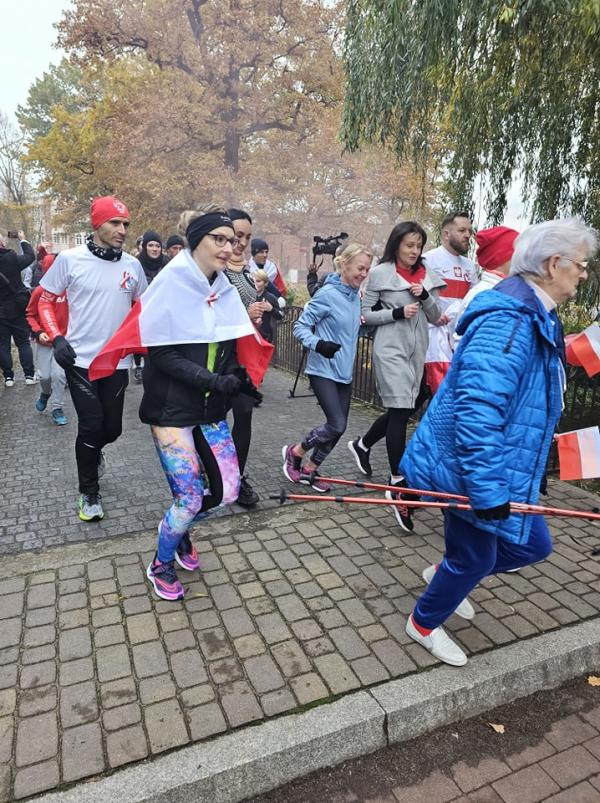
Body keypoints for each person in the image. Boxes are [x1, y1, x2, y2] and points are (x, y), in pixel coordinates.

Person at [400, 217, 597, 666]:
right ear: (553, 264)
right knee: (473, 558)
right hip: (472, 470)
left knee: (532, 544)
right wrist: (487, 491)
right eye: (580, 265)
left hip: (493, 467)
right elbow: (477, 412)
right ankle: (424, 621)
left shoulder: (534, 314)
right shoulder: (509, 320)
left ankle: (444, 576)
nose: (584, 274)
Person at [88, 205, 259, 601]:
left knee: (228, 491)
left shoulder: (224, 288)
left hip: (211, 410)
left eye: (231, 241)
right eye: (218, 239)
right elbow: (162, 356)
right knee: (189, 497)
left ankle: (179, 530)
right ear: (196, 241)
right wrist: (216, 381)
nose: (227, 247)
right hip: (170, 412)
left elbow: (231, 342)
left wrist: (240, 379)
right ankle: (161, 562)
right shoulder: (170, 284)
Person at [39, 196, 147, 522]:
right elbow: (44, 301)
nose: (122, 230)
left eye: (126, 224)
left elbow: (143, 308)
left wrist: (142, 347)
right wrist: (57, 338)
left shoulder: (132, 265)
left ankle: (95, 450)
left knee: (111, 429)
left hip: (116, 361)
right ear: (97, 224)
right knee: (91, 424)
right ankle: (89, 493)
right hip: (79, 360)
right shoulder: (70, 260)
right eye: (115, 223)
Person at [347, 222, 444, 531]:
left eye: (418, 246)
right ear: (396, 245)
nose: (414, 252)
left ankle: (362, 444)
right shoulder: (380, 274)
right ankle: (397, 482)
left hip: (418, 353)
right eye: (409, 246)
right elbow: (363, 315)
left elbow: (435, 315)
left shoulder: (426, 273)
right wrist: (396, 313)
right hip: (389, 350)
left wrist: (425, 295)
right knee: (401, 411)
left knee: (401, 409)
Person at [282, 244, 372, 491]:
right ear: (344, 265)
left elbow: (349, 331)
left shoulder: (355, 297)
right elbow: (299, 326)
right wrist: (318, 344)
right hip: (322, 369)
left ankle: (311, 469)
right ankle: (294, 452)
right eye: (360, 268)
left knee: (339, 428)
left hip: (344, 372)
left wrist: (366, 327)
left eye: (367, 269)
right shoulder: (327, 294)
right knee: (336, 424)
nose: (364, 274)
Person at [225, 208, 270, 507]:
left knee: (243, 414)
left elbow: (250, 313)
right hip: (213, 357)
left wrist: (260, 306)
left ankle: (238, 478)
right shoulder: (211, 268)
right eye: (237, 235)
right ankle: (210, 473)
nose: (242, 242)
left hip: (240, 358)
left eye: (247, 236)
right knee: (210, 419)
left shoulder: (246, 271)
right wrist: (245, 312)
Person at [422, 212, 478, 392]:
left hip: (456, 340)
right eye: (462, 230)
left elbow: (472, 299)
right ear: (446, 234)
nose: (468, 235)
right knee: (418, 399)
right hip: (431, 341)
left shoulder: (470, 266)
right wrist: (433, 317)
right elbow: (418, 294)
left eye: (469, 231)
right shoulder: (429, 259)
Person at [452, 225, 519, 340]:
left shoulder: (507, 293)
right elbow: (462, 343)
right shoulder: (482, 296)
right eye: (518, 254)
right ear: (502, 258)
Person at [26, 253, 69, 425]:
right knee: (44, 376)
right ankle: (45, 393)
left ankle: (57, 408)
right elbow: (30, 314)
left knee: (59, 376)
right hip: (44, 342)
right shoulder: (39, 291)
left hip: (63, 342)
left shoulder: (69, 289)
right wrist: (37, 332)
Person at [0, 230, 36, 387]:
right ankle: (29, 376)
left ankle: (8, 377)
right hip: (16, 307)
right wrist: (22, 239)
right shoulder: (10, 257)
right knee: (23, 343)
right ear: (2, 243)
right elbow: (30, 257)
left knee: (3, 345)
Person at [133, 230, 167, 382]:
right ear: (145, 247)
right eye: (151, 245)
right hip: (142, 316)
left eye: (157, 246)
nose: (154, 249)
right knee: (149, 359)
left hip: (164, 317)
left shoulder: (167, 263)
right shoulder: (136, 264)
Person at [251, 269, 283, 343]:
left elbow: (281, 315)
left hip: (265, 337)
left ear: (265, 283)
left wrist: (271, 309)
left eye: (258, 281)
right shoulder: (246, 295)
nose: (255, 283)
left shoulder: (271, 297)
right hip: (249, 335)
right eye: (253, 281)